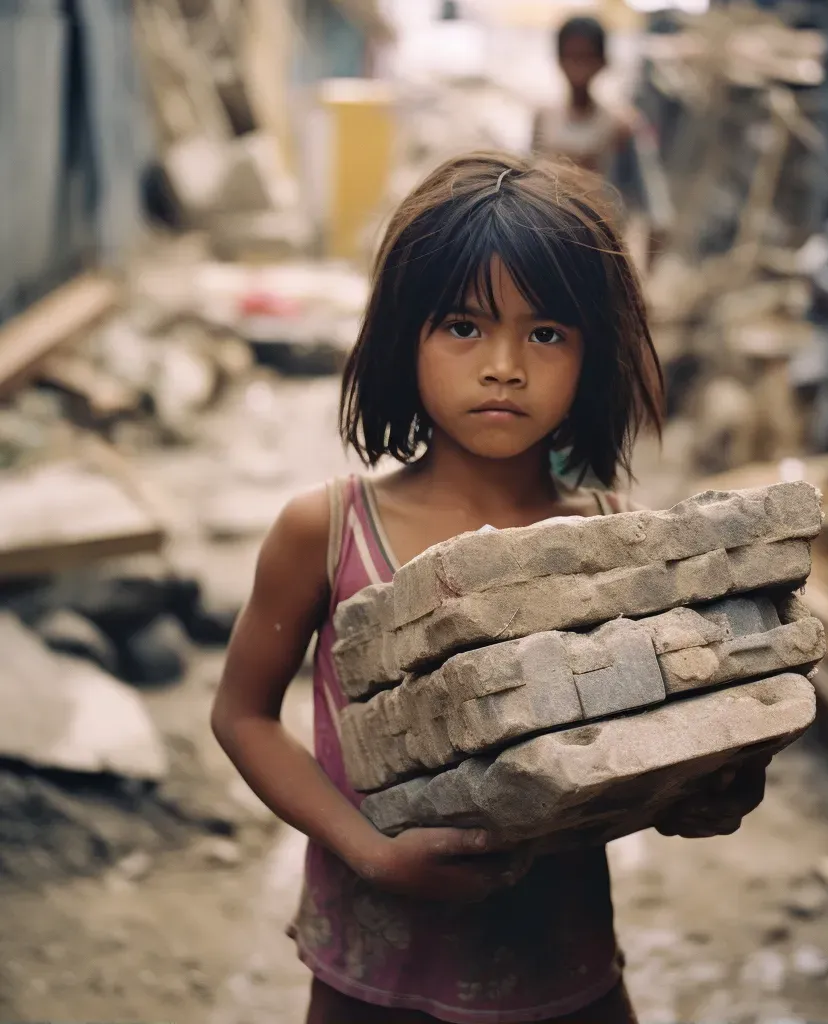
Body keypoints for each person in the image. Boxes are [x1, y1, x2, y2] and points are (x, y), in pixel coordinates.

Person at [211, 152, 771, 1024]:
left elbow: (644, 743)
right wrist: (368, 852)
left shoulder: (620, 543)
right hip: (374, 972)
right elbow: (242, 714)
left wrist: (705, 788)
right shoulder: (324, 531)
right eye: (463, 327)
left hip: (561, 966)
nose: (504, 365)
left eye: (545, 333)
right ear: (405, 336)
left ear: (591, 354)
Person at [532, 16, 673, 272]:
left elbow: (656, 209)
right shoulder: (545, 120)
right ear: (558, 59)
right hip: (547, 258)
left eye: (586, 57)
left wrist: (642, 279)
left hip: (600, 260)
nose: (578, 66)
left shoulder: (622, 126)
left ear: (602, 62)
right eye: (570, 56)